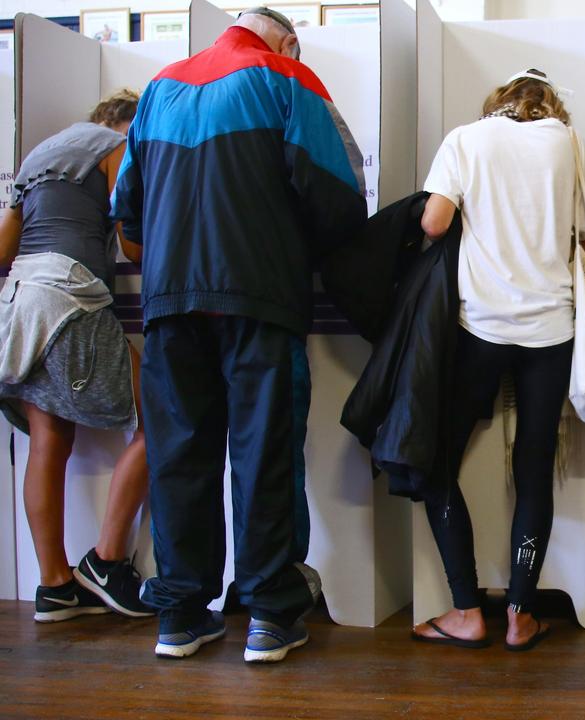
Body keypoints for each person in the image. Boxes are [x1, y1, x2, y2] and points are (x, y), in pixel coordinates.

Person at [111, 7, 367, 662]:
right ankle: (269, 617)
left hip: (169, 302)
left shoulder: (160, 88)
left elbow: (128, 218)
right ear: (289, 41)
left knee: (179, 457)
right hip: (259, 296)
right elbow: (339, 196)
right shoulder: (284, 76)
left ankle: (182, 617)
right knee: (263, 453)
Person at [412, 69, 585, 652]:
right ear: (549, 105)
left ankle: (468, 609)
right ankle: (521, 614)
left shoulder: (466, 139)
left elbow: (434, 222)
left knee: (437, 463)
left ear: (498, 102)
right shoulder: (567, 142)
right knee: (534, 469)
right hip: (552, 328)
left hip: (481, 327)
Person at [0, 90, 153, 624]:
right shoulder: (115, 147)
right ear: (125, 124)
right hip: (72, 300)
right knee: (160, 416)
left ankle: (55, 585)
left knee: (49, 441)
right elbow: (134, 244)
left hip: (21, 304)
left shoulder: (38, 156)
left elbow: (3, 249)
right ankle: (107, 564)